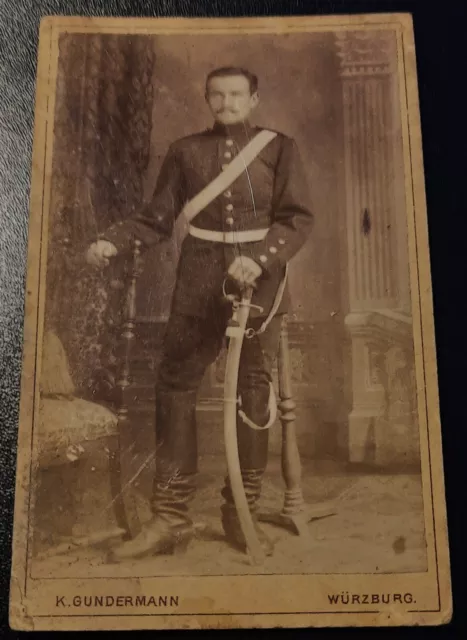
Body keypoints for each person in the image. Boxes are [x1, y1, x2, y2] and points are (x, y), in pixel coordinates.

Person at [86, 66, 314, 561]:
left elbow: (296, 219)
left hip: (260, 281)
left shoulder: (279, 148)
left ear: (254, 98)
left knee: (253, 392)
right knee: (175, 386)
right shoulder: (186, 151)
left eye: (236, 94)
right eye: (217, 94)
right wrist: (114, 240)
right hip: (197, 279)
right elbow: (157, 217)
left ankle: (241, 512)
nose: (227, 102)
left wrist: (259, 259)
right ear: (207, 99)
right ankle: (170, 518)